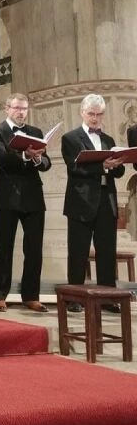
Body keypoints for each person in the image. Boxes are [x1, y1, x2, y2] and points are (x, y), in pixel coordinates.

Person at [0, 93, 51, 313]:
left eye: (24, 109)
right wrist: (24, 155)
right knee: (4, 247)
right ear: (7, 108)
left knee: (34, 249)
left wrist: (37, 158)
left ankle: (31, 295)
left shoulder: (35, 132)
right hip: (8, 196)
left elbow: (46, 163)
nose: (21, 112)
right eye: (17, 108)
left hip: (33, 196)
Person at [61, 93, 125, 313]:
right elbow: (74, 168)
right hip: (81, 202)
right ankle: (74, 298)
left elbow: (119, 172)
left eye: (99, 114)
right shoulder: (70, 138)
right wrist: (103, 166)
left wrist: (118, 163)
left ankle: (108, 298)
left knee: (107, 251)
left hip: (107, 201)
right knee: (78, 251)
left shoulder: (108, 140)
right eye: (91, 114)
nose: (95, 119)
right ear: (82, 113)